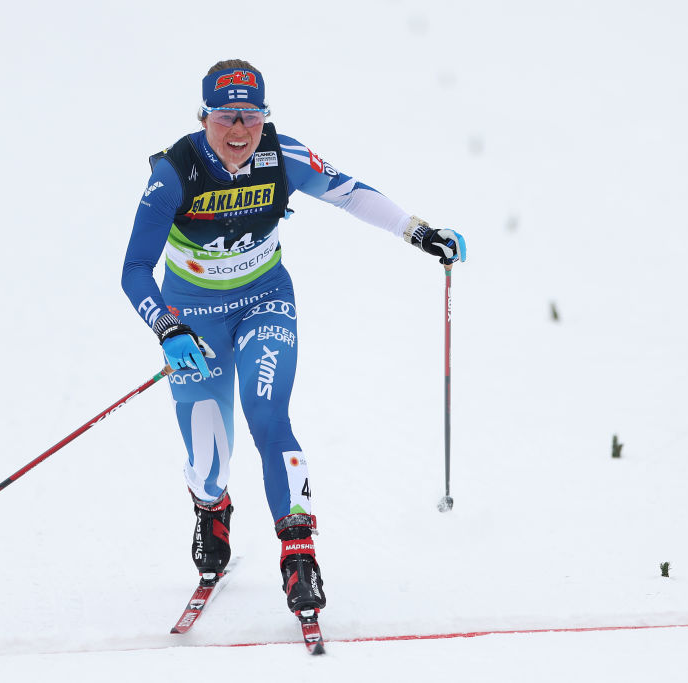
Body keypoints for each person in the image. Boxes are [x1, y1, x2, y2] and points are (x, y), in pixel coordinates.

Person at [121, 59, 466, 618]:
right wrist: (168, 327)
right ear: (204, 117)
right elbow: (134, 269)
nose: (239, 131)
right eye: (226, 117)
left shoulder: (281, 155)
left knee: (269, 416)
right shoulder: (173, 174)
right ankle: (212, 507)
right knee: (209, 461)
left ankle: (298, 552)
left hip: (264, 302)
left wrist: (418, 232)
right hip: (193, 320)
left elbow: (351, 193)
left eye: (252, 117)